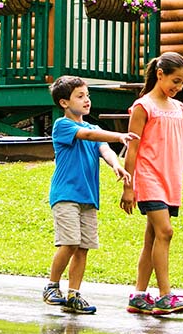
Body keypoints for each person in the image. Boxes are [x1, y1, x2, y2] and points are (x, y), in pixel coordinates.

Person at [120, 52, 183, 316]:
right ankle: (165, 296)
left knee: (153, 237)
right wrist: (128, 186)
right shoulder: (143, 107)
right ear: (160, 74)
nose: (178, 87)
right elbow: (132, 149)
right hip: (148, 177)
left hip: (170, 179)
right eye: (175, 81)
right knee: (165, 232)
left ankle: (138, 295)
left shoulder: (179, 109)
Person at [43, 75, 139, 314]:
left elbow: (103, 148)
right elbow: (88, 137)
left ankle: (74, 294)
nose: (87, 100)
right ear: (64, 103)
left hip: (88, 196)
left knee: (83, 246)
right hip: (65, 194)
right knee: (70, 242)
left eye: (87, 95)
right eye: (80, 96)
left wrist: (115, 165)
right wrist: (118, 136)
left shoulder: (93, 127)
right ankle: (51, 286)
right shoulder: (63, 125)